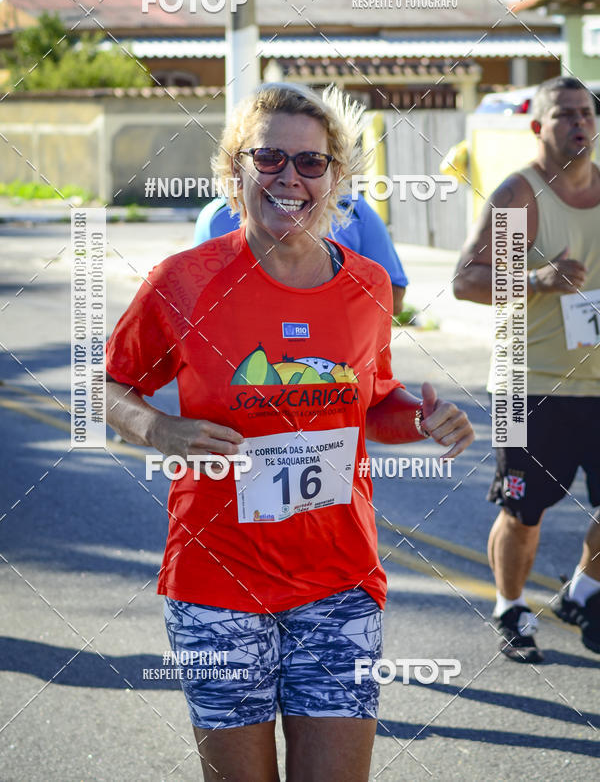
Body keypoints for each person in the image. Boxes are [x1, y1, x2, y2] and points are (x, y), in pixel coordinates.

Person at [106, 82, 474, 782]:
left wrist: (421, 419)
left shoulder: (366, 286)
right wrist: (159, 427)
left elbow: (370, 403)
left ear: (338, 177)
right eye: (269, 157)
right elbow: (106, 386)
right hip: (216, 583)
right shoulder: (181, 282)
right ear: (233, 171)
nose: (290, 178)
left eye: (311, 163)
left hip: (339, 582)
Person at [453, 76, 600, 663]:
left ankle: (582, 592)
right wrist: (537, 278)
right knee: (523, 509)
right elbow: (468, 281)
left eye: (586, 113)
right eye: (564, 114)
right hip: (527, 384)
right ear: (539, 127)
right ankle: (510, 607)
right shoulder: (522, 198)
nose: (578, 124)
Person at [194, 191, 409, 314]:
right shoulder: (216, 218)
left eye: (309, 159)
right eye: (270, 157)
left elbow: (393, 297)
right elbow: (196, 308)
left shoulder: (352, 207)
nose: (289, 177)